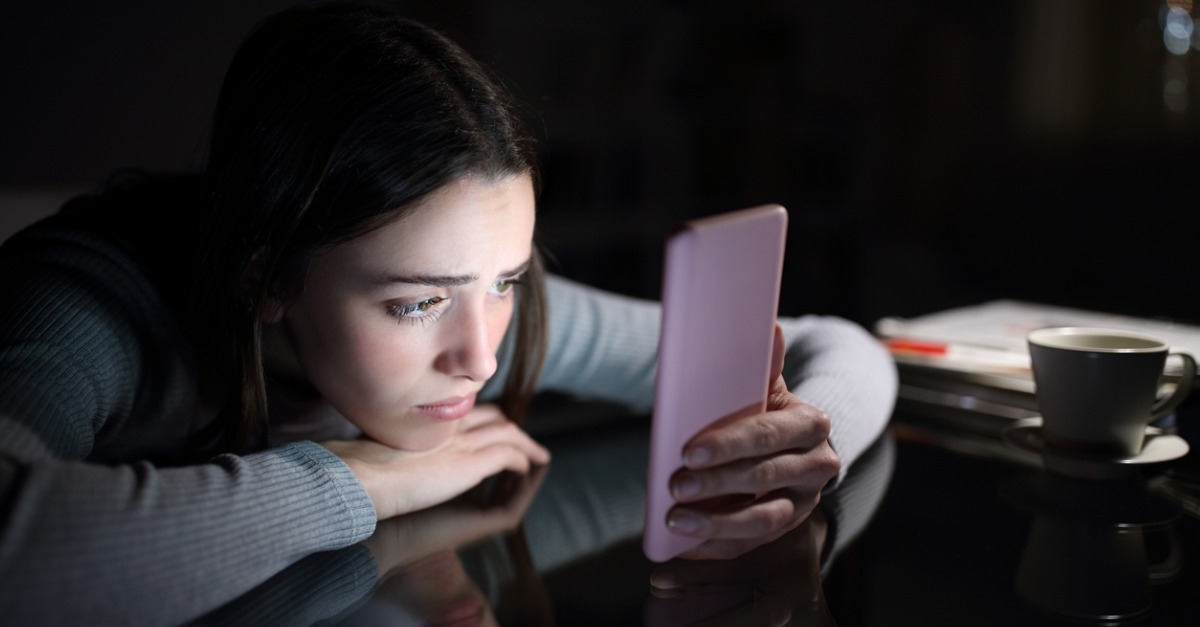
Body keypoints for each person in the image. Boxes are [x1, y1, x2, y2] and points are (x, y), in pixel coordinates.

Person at [0, 2, 897, 624]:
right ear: (264, 275)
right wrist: (364, 477)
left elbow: (834, 341)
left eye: (506, 280)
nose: (477, 356)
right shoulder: (86, 308)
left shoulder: (474, 316)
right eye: (418, 301)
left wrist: (803, 441)